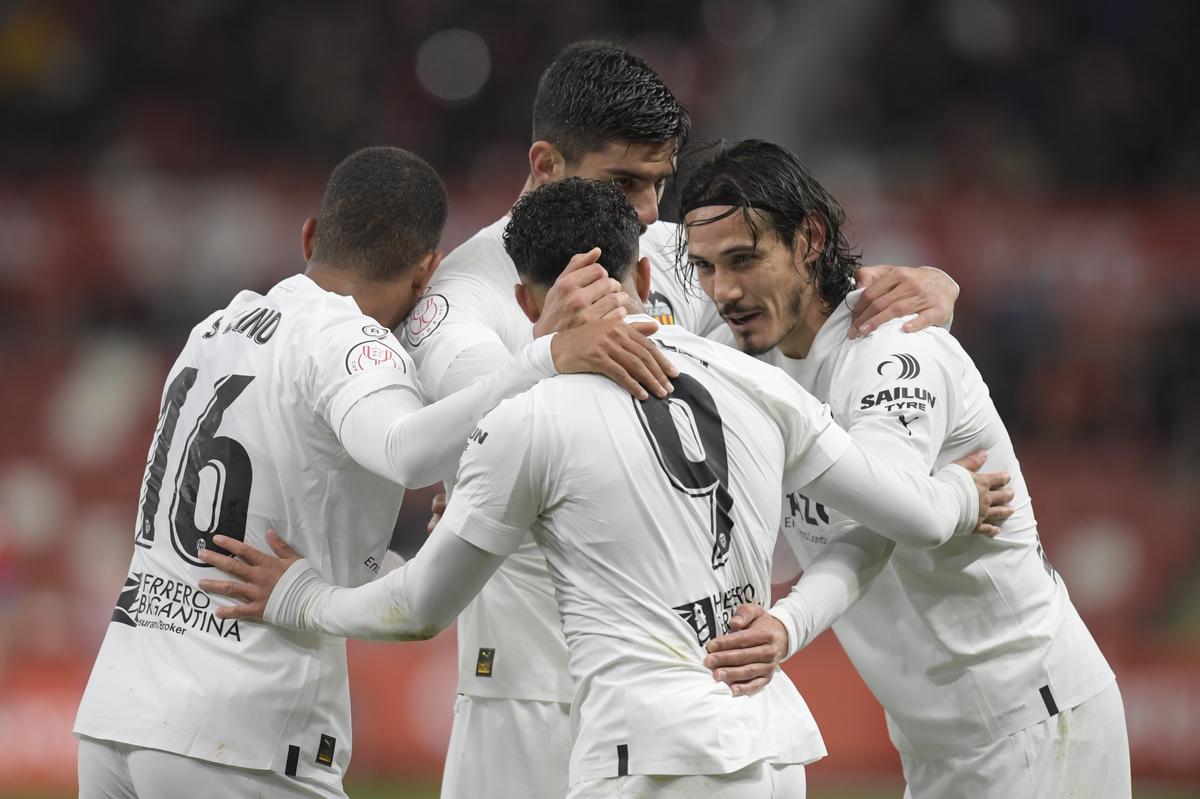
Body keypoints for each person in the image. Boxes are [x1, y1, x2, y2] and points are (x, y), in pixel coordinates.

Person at [198, 177, 1011, 799]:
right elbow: (910, 512)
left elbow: (416, 607)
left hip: (644, 760)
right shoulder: (755, 379)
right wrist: (966, 497)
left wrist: (299, 596)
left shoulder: (528, 421)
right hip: (769, 750)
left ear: (526, 302)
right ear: (650, 272)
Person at [400, 39, 962, 799]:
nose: (643, 211)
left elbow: (788, 294)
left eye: (658, 186)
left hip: (671, 687)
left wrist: (909, 286)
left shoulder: (661, 254)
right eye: (624, 181)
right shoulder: (464, 296)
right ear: (544, 167)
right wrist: (543, 356)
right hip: (530, 689)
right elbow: (468, 426)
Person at [72, 147, 677, 799]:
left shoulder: (217, 327)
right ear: (427, 272)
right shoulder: (350, 340)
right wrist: (540, 359)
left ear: (310, 235)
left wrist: (395, 555)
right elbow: (406, 449)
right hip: (237, 725)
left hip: (116, 712)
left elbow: (286, 503)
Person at [683, 140, 1130, 798]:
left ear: (809, 238)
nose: (724, 289)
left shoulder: (893, 348)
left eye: (745, 260)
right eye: (706, 267)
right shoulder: (743, 348)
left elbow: (887, 515)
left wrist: (790, 620)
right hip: (935, 744)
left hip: (1034, 721)